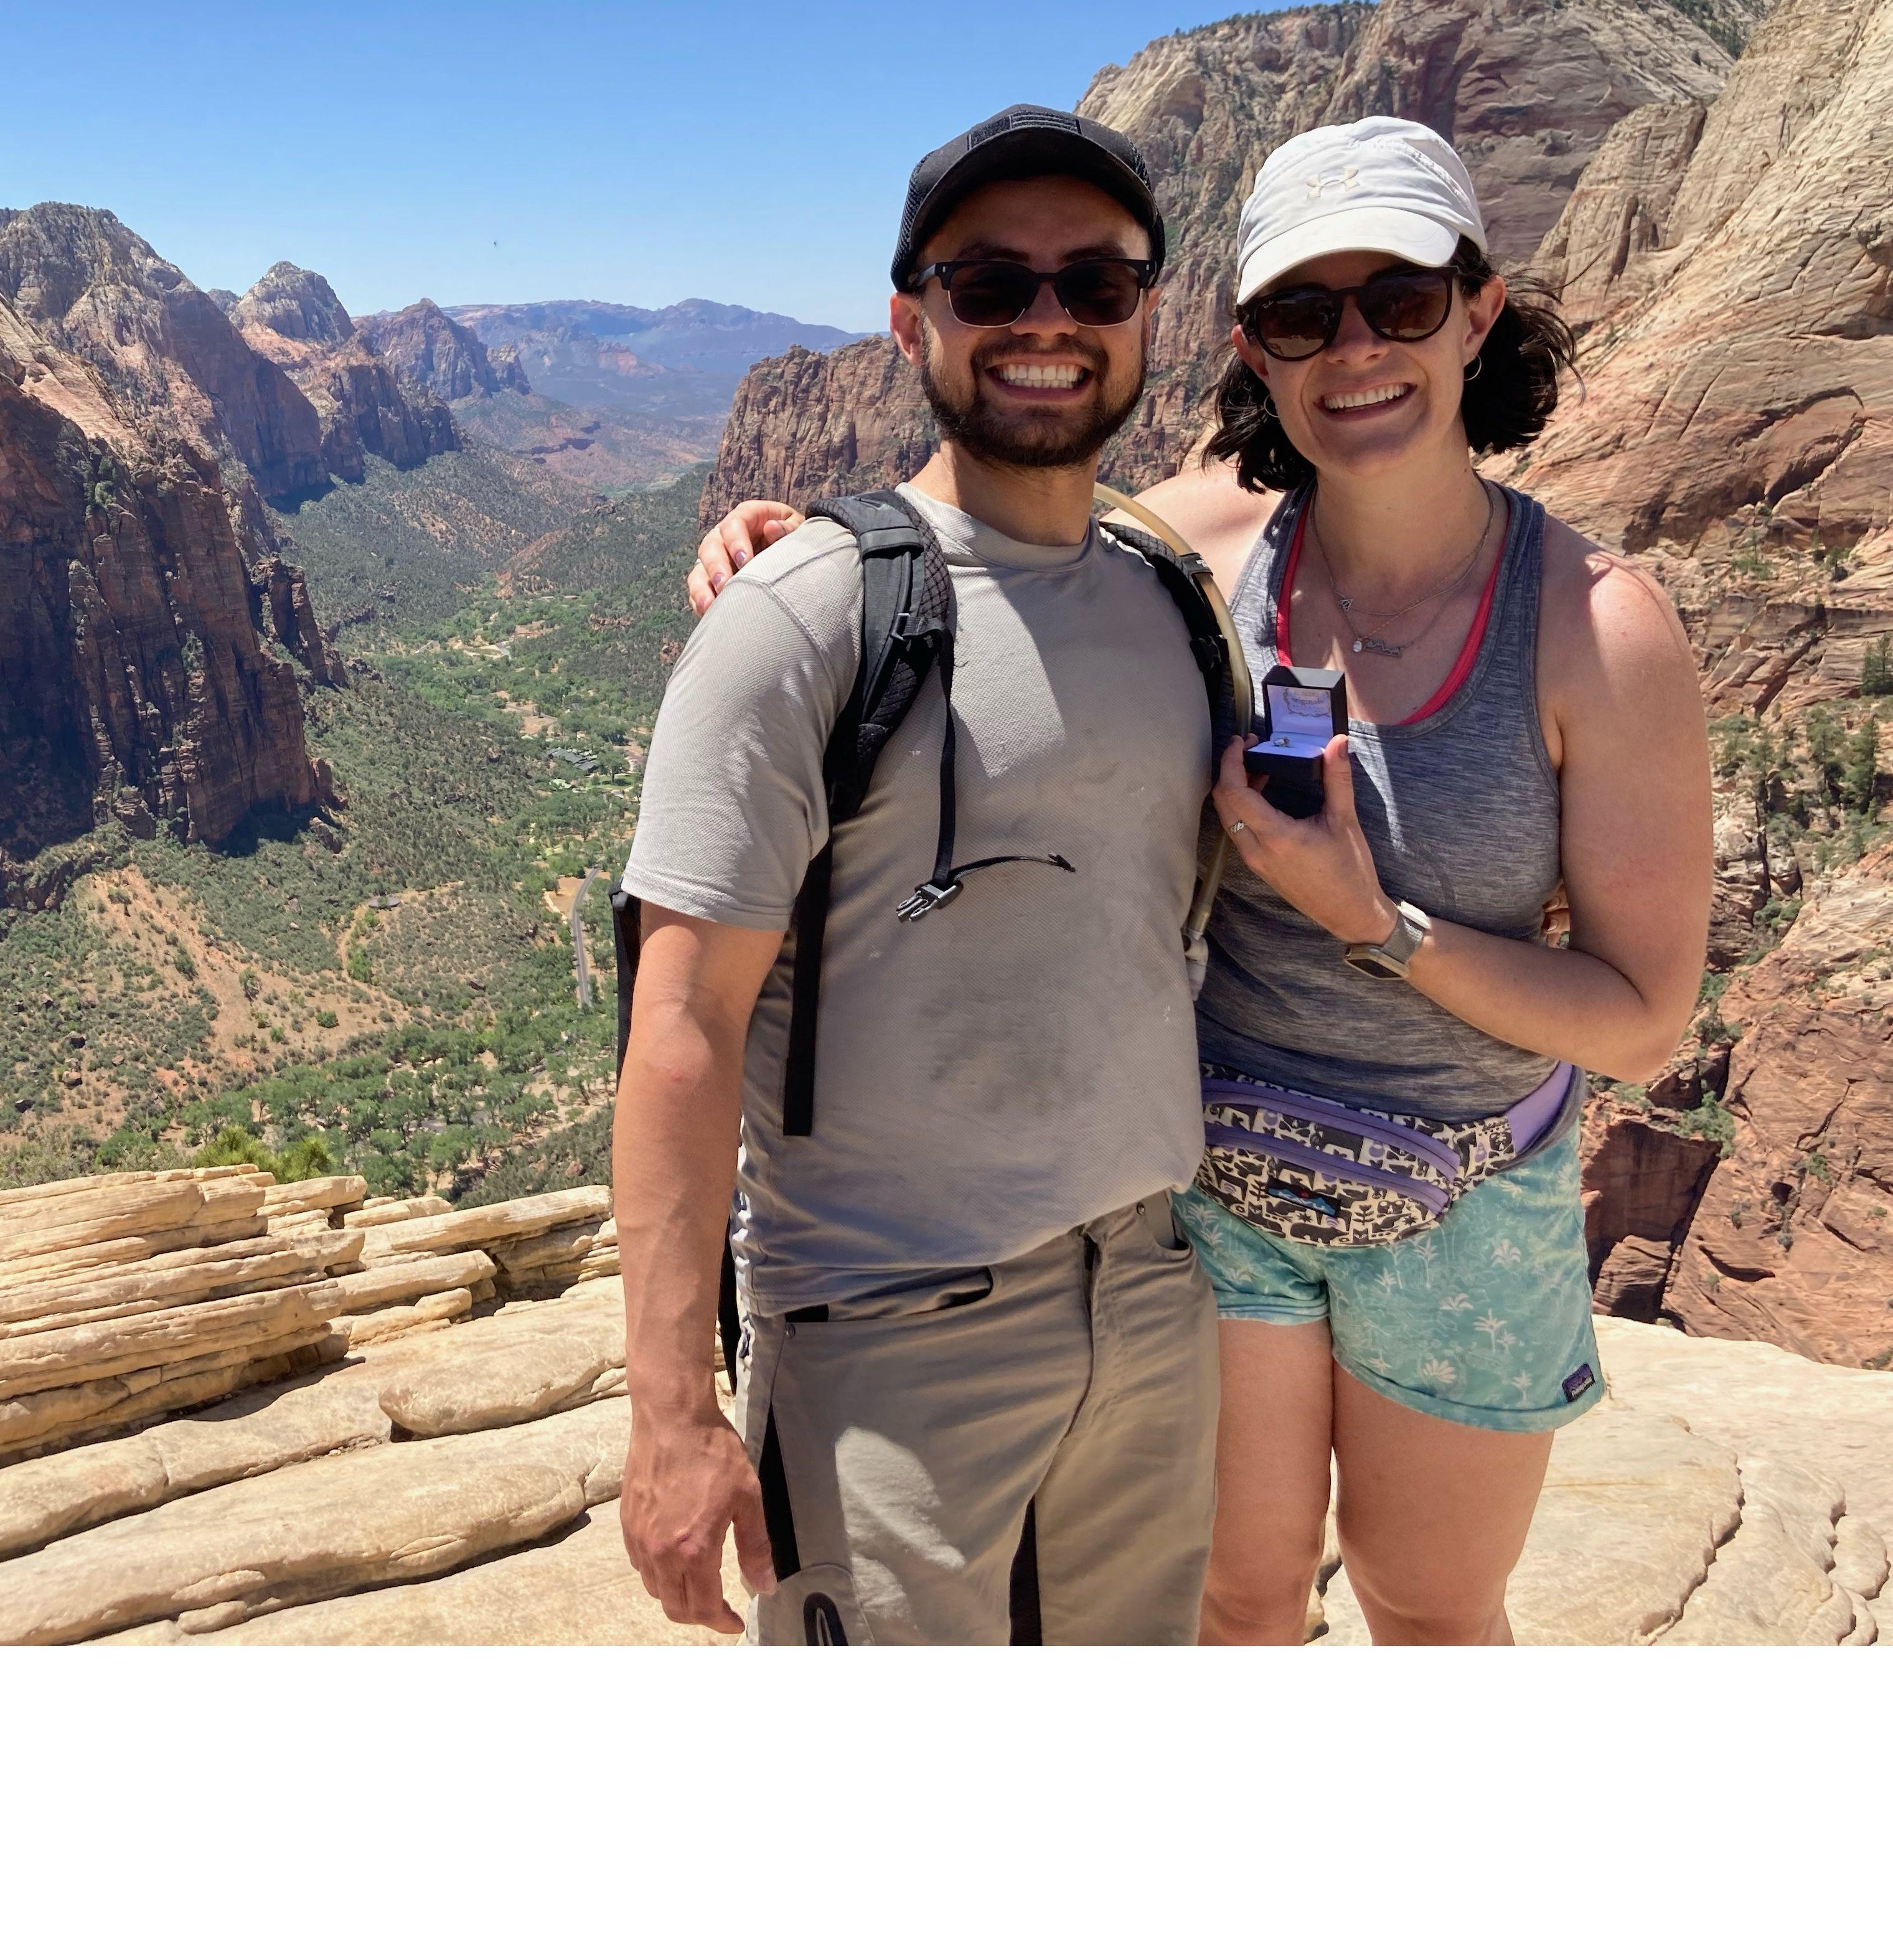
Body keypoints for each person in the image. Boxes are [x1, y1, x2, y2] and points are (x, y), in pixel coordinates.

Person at [690, 115, 1712, 1646]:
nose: (1355, 349)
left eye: (1403, 301)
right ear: (1253, 345)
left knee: (1433, 1613)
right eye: (1307, 314)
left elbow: (1641, 1025)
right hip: (1215, 1191)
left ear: (1480, 308)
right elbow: (987, 530)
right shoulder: (1202, 542)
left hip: (1466, 1193)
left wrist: (1381, 923)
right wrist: (789, 542)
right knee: (1230, 1609)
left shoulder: (1596, 627)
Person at [615, 105, 1221, 1646]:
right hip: (886, 1346)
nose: (1046, 322)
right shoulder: (806, 618)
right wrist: (670, 1416)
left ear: (1154, 309)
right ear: (910, 321)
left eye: (1097, 283)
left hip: (1153, 1300)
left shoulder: (1173, 597)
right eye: (988, 283)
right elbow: (678, 1028)